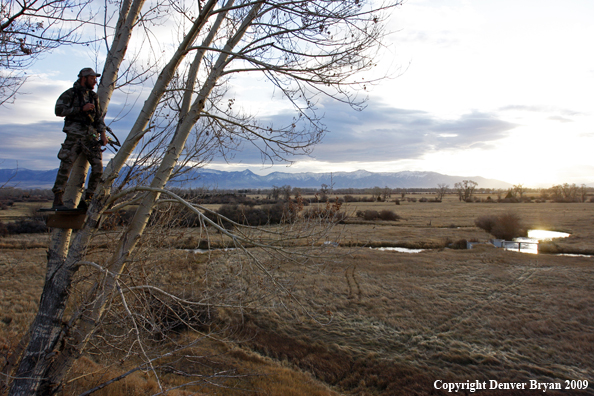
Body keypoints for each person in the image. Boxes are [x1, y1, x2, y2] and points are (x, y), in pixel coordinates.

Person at [52, 68, 108, 209]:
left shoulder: (93, 97)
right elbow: (58, 111)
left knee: (98, 168)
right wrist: (80, 109)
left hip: (90, 137)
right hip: (74, 136)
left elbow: (98, 118)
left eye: (95, 78)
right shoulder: (70, 94)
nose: (95, 81)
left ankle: (87, 200)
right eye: (92, 78)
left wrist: (103, 134)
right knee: (65, 166)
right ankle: (58, 199)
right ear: (84, 78)